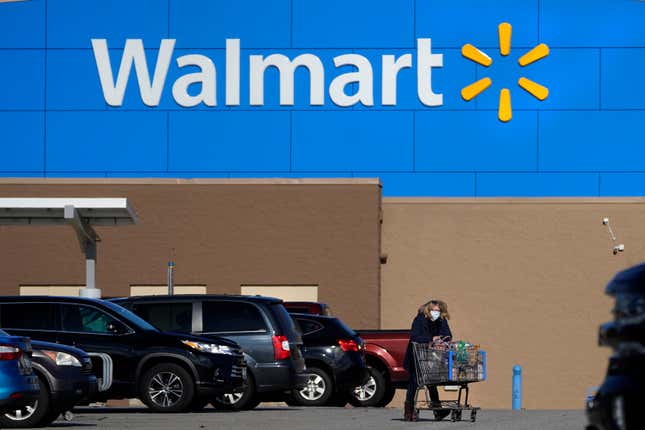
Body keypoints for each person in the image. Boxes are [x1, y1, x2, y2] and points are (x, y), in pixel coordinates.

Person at [402, 300, 452, 422]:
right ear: (428, 310)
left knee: (432, 380)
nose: (436, 313)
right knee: (415, 381)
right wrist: (431, 338)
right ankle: (409, 410)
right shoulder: (419, 320)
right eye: (434, 310)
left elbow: (448, 335)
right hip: (417, 355)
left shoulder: (441, 320)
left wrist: (443, 339)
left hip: (432, 355)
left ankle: (437, 410)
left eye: (438, 311)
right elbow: (415, 336)